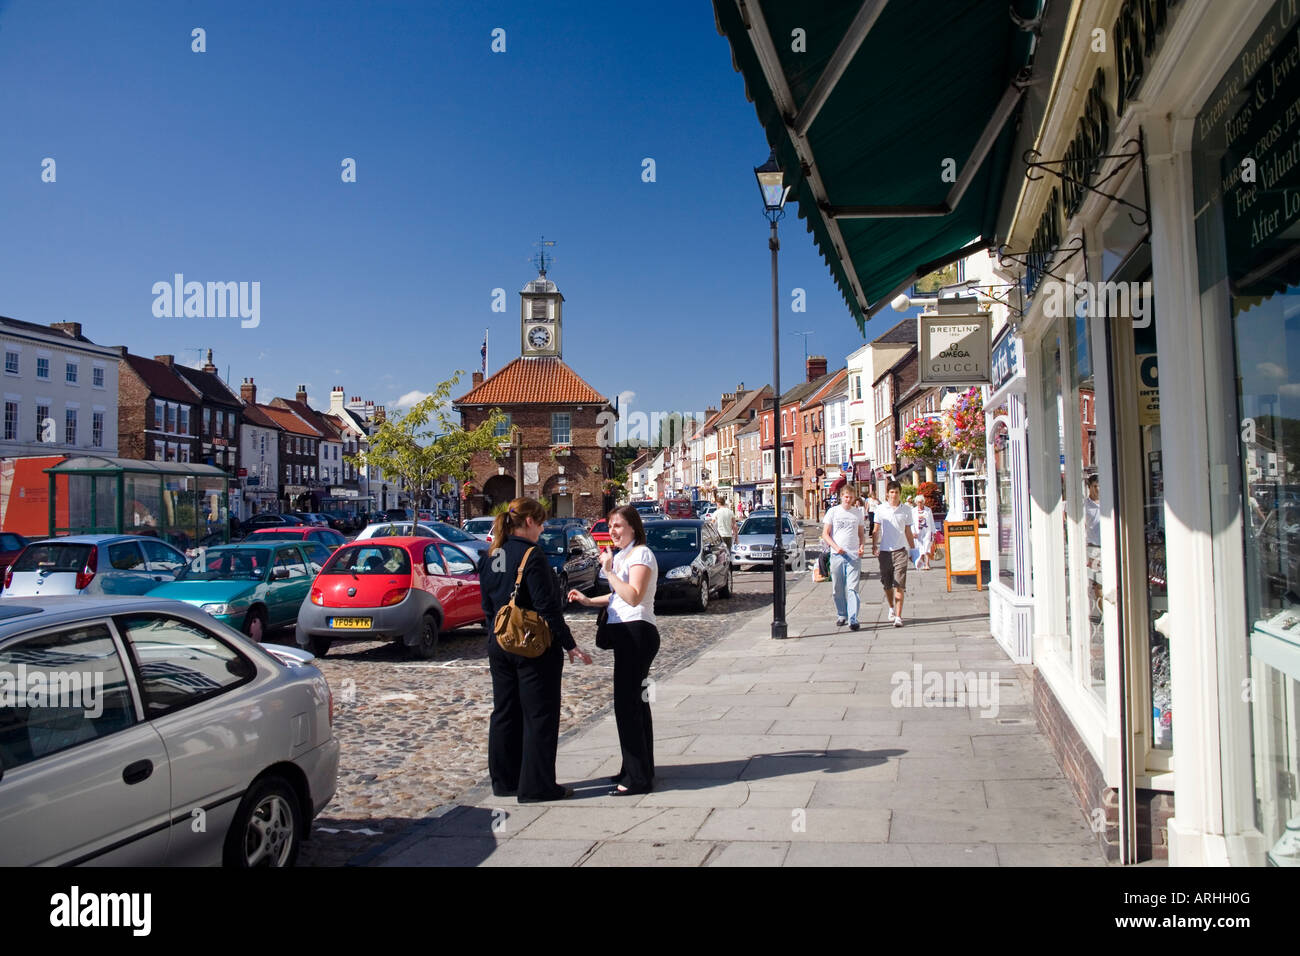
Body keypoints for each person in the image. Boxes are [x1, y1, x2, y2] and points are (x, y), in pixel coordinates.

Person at [479, 497, 592, 803]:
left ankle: (504, 781)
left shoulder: (492, 555)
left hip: (499, 643)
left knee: (504, 712)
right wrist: (570, 645)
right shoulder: (532, 556)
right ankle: (536, 785)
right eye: (540, 522)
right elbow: (548, 608)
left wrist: (495, 635)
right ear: (528, 522)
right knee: (539, 715)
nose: (542, 529)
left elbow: (487, 605)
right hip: (532, 645)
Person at [569, 505, 660, 795]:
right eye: (610, 526)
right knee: (636, 704)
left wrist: (608, 571)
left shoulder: (641, 554)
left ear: (633, 527)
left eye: (618, 526)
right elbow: (618, 596)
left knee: (628, 706)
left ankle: (637, 779)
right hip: (626, 633)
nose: (613, 531)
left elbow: (633, 596)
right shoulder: (624, 556)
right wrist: (588, 601)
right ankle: (636, 768)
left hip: (637, 633)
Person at [820, 483, 867, 630]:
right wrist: (836, 547)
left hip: (853, 555)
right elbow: (825, 534)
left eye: (851, 497)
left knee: (853, 588)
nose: (848, 499)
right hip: (837, 555)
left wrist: (861, 546)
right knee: (838, 588)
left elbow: (861, 533)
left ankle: (853, 619)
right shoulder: (833, 512)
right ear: (841, 497)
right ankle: (842, 614)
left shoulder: (858, 513)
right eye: (846, 497)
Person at [872, 480, 916, 627]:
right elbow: (876, 529)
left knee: (899, 584)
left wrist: (913, 549)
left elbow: (908, 531)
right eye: (891, 492)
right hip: (885, 551)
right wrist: (874, 545)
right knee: (887, 584)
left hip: (901, 551)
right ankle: (891, 607)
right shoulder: (880, 509)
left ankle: (898, 616)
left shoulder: (906, 510)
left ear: (900, 493)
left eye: (896, 492)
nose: (894, 495)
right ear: (887, 494)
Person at [912, 494, 936, 570]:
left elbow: (931, 521)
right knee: (920, 547)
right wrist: (913, 532)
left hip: (927, 531)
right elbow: (911, 522)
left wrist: (933, 531)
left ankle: (927, 564)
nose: (920, 503)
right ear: (916, 502)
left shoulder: (928, 510)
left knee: (927, 547)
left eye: (921, 502)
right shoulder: (913, 511)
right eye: (918, 502)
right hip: (918, 532)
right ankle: (922, 563)